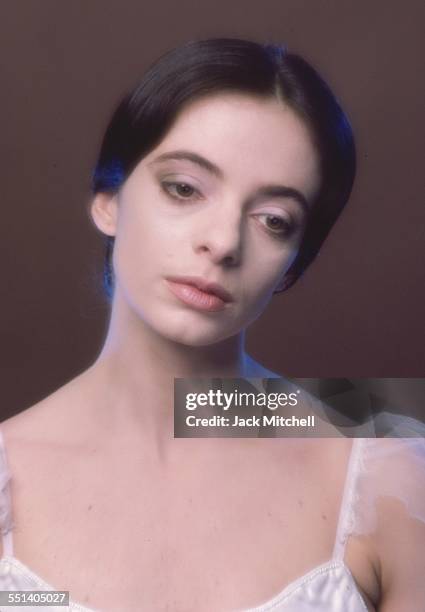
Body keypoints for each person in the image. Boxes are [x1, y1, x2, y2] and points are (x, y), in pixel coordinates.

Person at [0, 38, 424, 611]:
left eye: (274, 220)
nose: (223, 242)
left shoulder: (388, 469)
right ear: (108, 199)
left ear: (293, 262)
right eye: (183, 188)